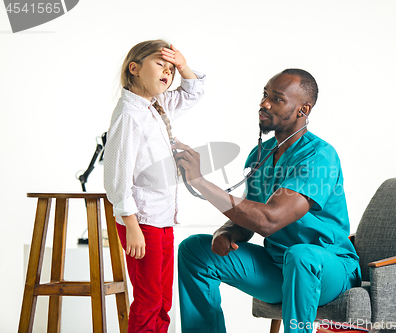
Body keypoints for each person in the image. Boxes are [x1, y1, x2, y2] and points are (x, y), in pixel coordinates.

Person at [173, 69, 361, 333]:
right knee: (195, 250)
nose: (264, 104)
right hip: (278, 267)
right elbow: (250, 217)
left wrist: (201, 183)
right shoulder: (258, 156)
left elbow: (269, 220)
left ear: (302, 110)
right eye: (264, 95)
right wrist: (226, 231)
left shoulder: (320, 156)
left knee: (301, 255)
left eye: (277, 98)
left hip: (328, 268)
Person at [103, 39, 205, 333]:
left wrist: (183, 65)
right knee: (147, 300)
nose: (168, 73)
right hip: (142, 221)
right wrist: (131, 225)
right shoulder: (129, 115)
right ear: (134, 69)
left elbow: (193, 92)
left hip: (163, 220)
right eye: (161, 64)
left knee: (162, 299)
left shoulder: (156, 107)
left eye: (171, 69)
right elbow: (117, 177)